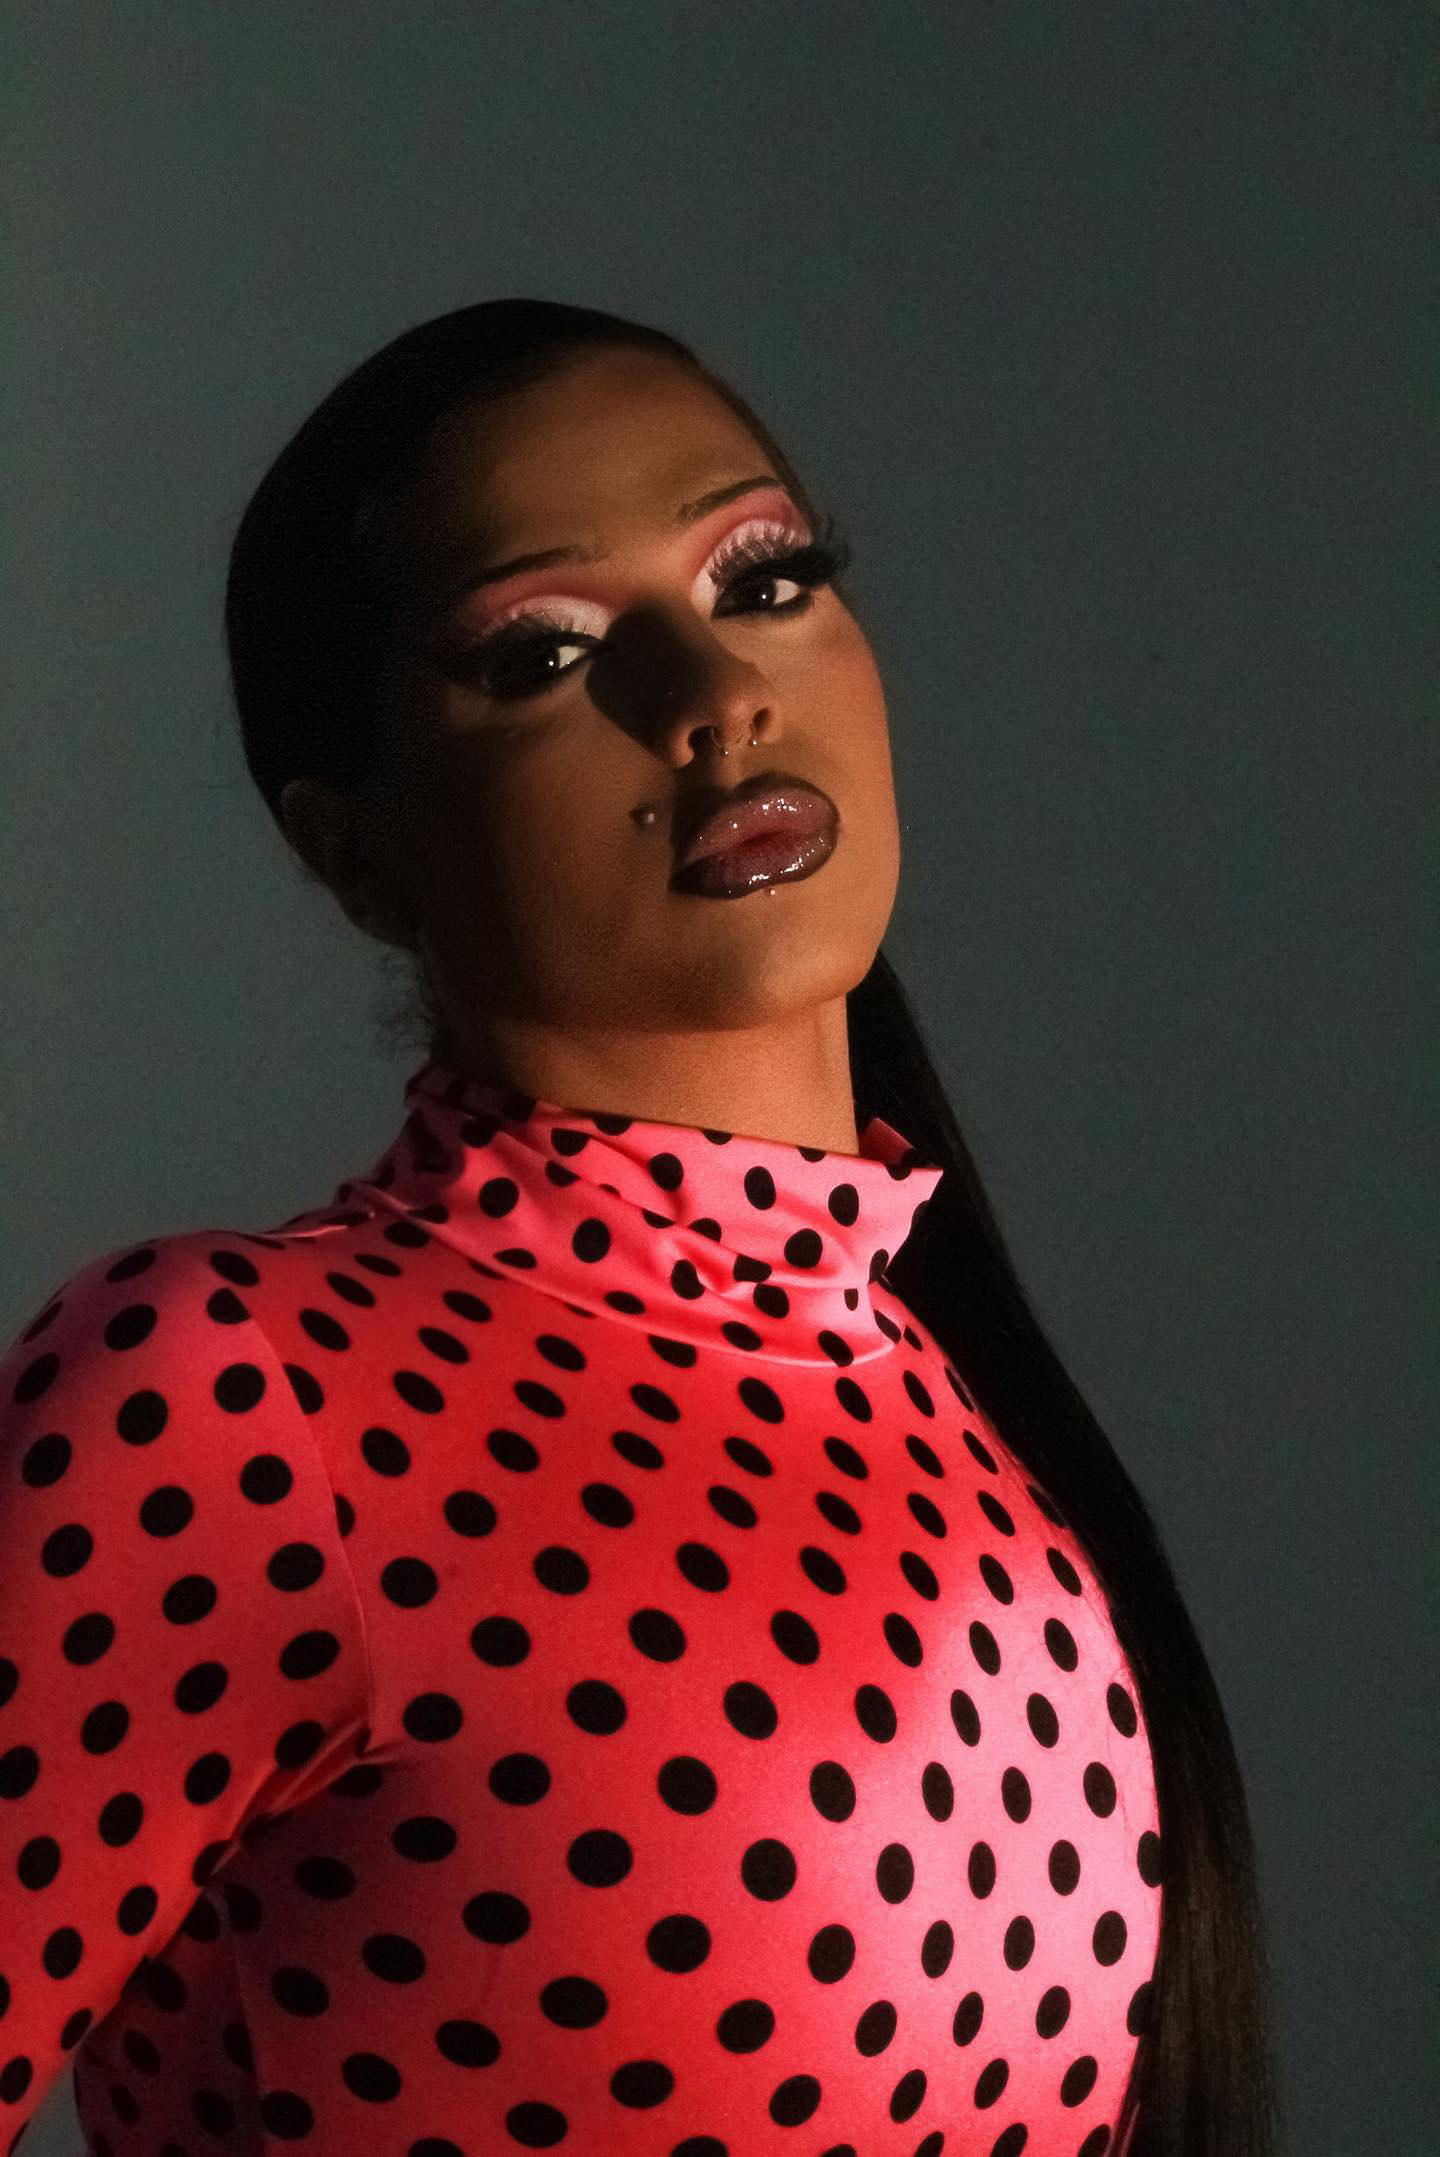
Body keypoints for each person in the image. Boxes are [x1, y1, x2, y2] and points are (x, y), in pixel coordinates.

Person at [0, 300, 1280, 2156]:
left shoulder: (950, 1404)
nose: (712, 692)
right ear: (355, 852)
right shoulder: (234, 1399)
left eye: (763, 578)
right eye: (544, 651)